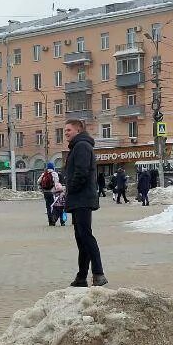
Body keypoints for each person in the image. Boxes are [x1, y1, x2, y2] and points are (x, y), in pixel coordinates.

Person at [63, 120, 106, 286]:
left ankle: (98, 273)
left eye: (68, 129)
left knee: (86, 236)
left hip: (81, 198)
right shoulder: (78, 146)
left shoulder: (81, 146)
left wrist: (71, 189)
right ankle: (81, 277)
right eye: (64, 130)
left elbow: (81, 172)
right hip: (79, 198)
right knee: (81, 238)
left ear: (78, 129)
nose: (65, 132)